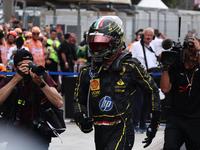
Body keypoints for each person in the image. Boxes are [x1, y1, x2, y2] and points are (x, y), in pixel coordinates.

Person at [73, 16, 161, 150]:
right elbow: (77, 100)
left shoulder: (131, 66)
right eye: (94, 43)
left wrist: (154, 124)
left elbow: (153, 90)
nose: (97, 47)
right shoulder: (87, 71)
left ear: (116, 41)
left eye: (102, 43)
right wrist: (81, 118)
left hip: (122, 129)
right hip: (99, 132)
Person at [0, 49, 63, 150]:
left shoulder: (42, 77)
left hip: (39, 136)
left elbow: (59, 102)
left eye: (29, 64)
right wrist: (16, 79)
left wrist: (42, 84)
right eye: (23, 66)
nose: (27, 68)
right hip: (15, 136)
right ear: (15, 67)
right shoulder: (9, 80)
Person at [160, 37, 200, 150]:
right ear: (185, 50)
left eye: (196, 50)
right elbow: (165, 89)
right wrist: (165, 66)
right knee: (169, 147)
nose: (194, 53)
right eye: (191, 49)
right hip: (175, 118)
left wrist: (199, 50)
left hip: (196, 119)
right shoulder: (176, 67)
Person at [129, 27, 159, 133]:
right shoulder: (135, 46)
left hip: (150, 77)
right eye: (147, 35)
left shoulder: (152, 47)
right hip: (139, 78)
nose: (149, 37)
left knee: (147, 102)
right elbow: (130, 61)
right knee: (138, 102)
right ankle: (135, 124)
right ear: (142, 36)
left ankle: (142, 124)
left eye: (151, 35)